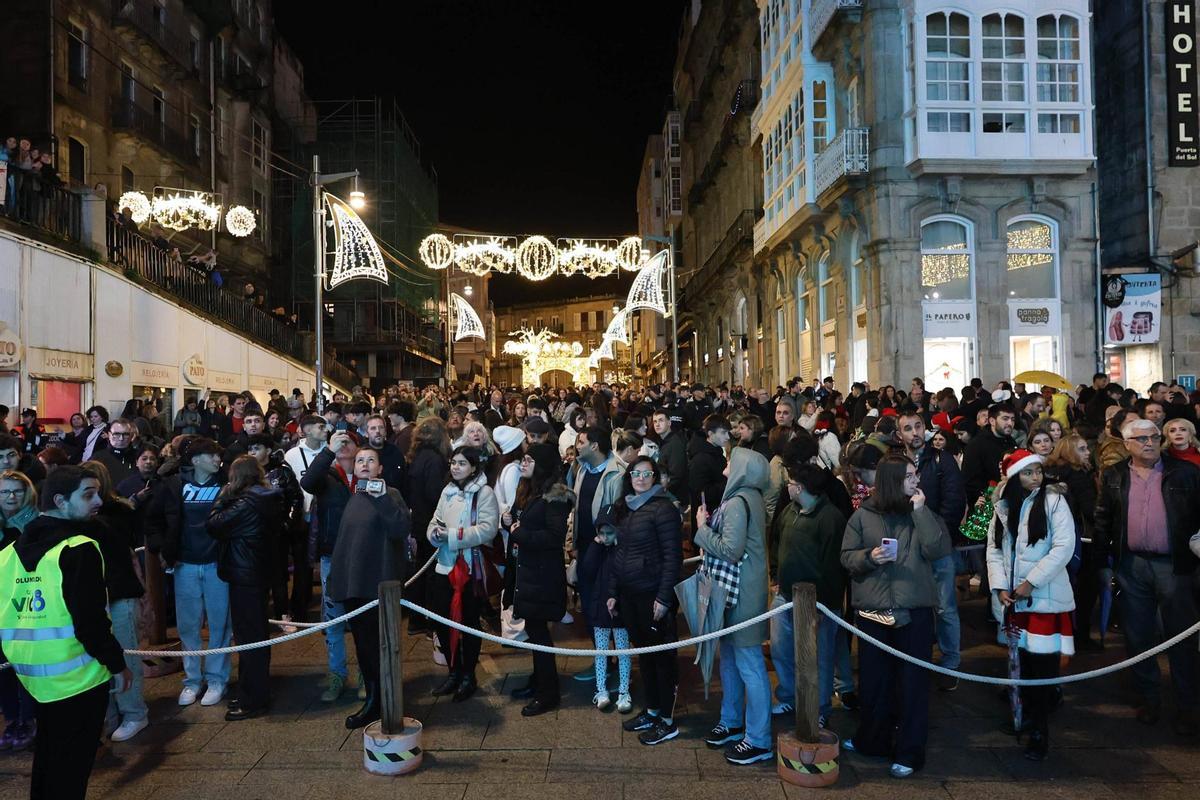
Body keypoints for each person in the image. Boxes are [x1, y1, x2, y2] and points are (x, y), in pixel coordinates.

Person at [0, 466, 130, 799]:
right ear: (60, 500)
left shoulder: (8, 553)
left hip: (34, 677)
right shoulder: (78, 547)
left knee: (48, 758)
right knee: (71, 769)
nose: (98, 501)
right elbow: (89, 622)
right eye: (88, 494)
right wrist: (117, 664)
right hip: (79, 675)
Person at [841, 453, 950, 778]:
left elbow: (937, 549)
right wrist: (869, 556)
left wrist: (920, 512)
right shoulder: (863, 515)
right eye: (909, 476)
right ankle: (871, 740)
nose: (915, 480)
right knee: (874, 681)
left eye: (915, 474)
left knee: (913, 684)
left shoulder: (922, 512)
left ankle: (909, 750)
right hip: (872, 610)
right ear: (891, 481)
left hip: (913, 609)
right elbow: (847, 556)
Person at [1093, 417, 1200, 735]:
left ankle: (1188, 705)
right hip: (1132, 566)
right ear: (1126, 444)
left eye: (1154, 436)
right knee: (1138, 635)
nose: (1150, 443)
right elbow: (1103, 521)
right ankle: (1149, 699)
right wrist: (1103, 563)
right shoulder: (1114, 476)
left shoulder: (1186, 474)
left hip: (1175, 565)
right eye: (1141, 439)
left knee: (1181, 635)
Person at [986, 450, 1076, 760]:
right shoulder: (1003, 506)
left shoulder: (1053, 501)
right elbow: (994, 549)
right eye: (1028, 472)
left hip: (1044, 599)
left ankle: (1040, 728)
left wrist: (1031, 582)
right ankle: (1022, 715)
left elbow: (1064, 546)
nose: (1035, 477)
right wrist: (999, 586)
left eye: (1038, 471)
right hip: (1015, 599)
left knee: (1042, 667)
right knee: (1019, 662)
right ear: (1014, 477)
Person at [695, 447, 774, 765]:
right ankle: (732, 722)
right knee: (731, 658)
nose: (727, 464)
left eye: (732, 460)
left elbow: (730, 549)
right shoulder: (746, 497)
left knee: (749, 663)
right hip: (738, 590)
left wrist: (702, 528)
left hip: (741, 594)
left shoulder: (739, 502)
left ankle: (758, 739)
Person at [326, 443, 412, 729]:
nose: (364, 464)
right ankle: (374, 696)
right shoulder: (354, 495)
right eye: (360, 460)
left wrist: (382, 497)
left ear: (380, 468)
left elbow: (400, 527)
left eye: (370, 460)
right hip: (355, 585)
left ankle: (383, 699)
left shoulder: (391, 493)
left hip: (378, 587)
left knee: (379, 647)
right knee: (363, 646)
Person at [601, 456, 682, 739]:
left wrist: (663, 597)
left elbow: (673, 557)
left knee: (662, 658)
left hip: (652, 594)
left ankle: (668, 721)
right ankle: (652, 711)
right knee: (645, 656)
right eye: (635, 472)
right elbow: (619, 554)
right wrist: (613, 591)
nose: (640, 478)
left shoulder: (663, 509)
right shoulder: (627, 507)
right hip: (630, 593)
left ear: (656, 478)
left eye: (647, 474)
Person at [768, 462, 847, 727]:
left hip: (819, 603)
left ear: (799, 487)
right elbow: (776, 539)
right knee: (781, 650)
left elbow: (834, 567)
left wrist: (824, 605)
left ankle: (820, 707)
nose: (786, 486)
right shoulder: (790, 511)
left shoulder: (830, 519)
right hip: (785, 596)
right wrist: (776, 576)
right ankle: (789, 695)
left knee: (820, 658)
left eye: (790, 483)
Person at [155, 438, 230, 707]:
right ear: (196, 460)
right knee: (188, 626)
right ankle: (192, 680)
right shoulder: (175, 485)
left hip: (215, 563)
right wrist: (163, 549)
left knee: (220, 624)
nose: (216, 460)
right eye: (211, 456)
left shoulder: (225, 484)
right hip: (185, 564)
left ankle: (217, 678)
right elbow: (156, 518)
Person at [206, 456, 282, 720]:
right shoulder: (266, 498)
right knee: (256, 636)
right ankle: (254, 691)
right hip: (259, 573)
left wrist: (222, 496)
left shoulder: (244, 503)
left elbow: (213, 524)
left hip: (244, 576)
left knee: (250, 638)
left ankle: (253, 700)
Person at [897, 408, 965, 691]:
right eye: (908, 428)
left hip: (938, 544)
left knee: (945, 605)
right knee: (912, 604)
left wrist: (940, 535)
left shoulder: (941, 459)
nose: (914, 432)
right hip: (908, 545)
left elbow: (954, 499)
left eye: (918, 426)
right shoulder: (894, 462)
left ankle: (951, 661)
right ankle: (916, 657)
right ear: (899, 433)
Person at [79, 460, 148, 743]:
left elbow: (119, 553)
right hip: (94, 596)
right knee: (99, 658)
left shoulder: (116, 514)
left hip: (119, 593)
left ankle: (134, 713)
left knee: (124, 654)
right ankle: (107, 714)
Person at [427, 446, 500, 702]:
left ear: (474, 467)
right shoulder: (447, 491)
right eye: (453, 462)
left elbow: (487, 529)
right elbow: (435, 519)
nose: (455, 467)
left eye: (461, 463)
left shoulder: (484, 493)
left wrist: (453, 537)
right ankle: (453, 671)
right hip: (445, 565)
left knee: (468, 622)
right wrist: (435, 533)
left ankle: (468, 674)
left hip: (469, 567)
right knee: (441, 621)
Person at [507, 442, 572, 716]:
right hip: (527, 572)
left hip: (541, 575)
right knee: (535, 632)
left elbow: (554, 538)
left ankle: (548, 693)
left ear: (542, 463)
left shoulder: (555, 496)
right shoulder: (528, 489)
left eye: (529, 459)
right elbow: (518, 519)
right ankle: (539, 681)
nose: (523, 463)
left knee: (540, 634)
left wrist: (518, 533)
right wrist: (507, 521)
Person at [299, 429, 358, 702]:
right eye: (339, 442)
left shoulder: (367, 475)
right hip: (332, 555)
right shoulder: (326, 476)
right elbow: (308, 482)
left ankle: (367, 675)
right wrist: (327, 452)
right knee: (333, 618)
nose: (344, 446)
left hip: (363, 557)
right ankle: (337, 673)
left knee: (363, 618)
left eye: (348, 442)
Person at [1044, 433, 1101, 650]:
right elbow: (1090, 510)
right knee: (1085, 591)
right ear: (1070, 451)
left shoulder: (1050, 473)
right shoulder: (1078, 476)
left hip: (1055, 539)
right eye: (1083, 449)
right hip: (1082, 539)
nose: (1088, 452)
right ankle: (1080, 636)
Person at [245, 435, 306, 629]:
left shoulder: (282, 472)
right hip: (252, 533)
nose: (252, 452)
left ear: (268, 450)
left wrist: (287, 522)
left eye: (257, 447)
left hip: (277, 532)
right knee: (256, 576)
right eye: (250, 448)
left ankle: (282, 615)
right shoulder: (245, 473)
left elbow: (295, 498)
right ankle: (258, 617)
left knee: (278, 576)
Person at [0, 471, 38, 750]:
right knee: (3, 668)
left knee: (25, 663)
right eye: (5, 491)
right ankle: (13, 719)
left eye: (17, 491)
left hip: (26, 602)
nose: (11, 496)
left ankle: (29, 719)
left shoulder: (35, 523)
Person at [406, 418, 451, 637]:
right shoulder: (434, 459)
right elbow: (435, 494)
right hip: (431, 523)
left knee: (421, 571)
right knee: (430, 574)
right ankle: (429, 619)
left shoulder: (419, 456)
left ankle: (418, 618)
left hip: (420, 521)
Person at [688, 414, 730, 534]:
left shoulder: (716, 454)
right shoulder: (700, 459)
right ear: (711, 434)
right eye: (723, 433)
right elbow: (700, 493)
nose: (727, 436)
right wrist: (727, 483)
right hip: (707, 521)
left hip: (717, 516)